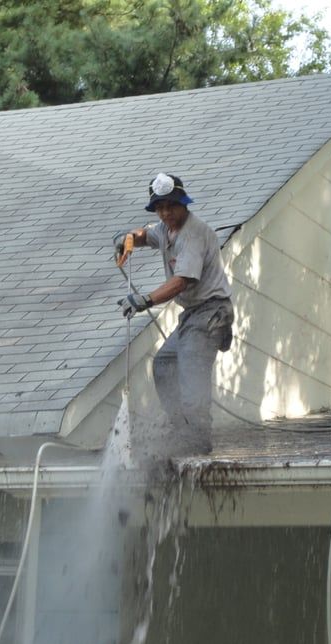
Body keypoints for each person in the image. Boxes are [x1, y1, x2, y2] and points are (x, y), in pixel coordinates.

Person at [115, 173, 234, 454]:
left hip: (210, 312)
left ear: (183, 204)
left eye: (170, 206)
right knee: (164, 364)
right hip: (193, 314)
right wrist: (128, 239)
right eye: (160, 208)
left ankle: (197, 441)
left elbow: (183, 281)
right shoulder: (166, 228)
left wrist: (146, 299)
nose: (165, 213)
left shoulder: (193, 234)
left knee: (192, 380)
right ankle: (181, 431)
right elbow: (147, 235)